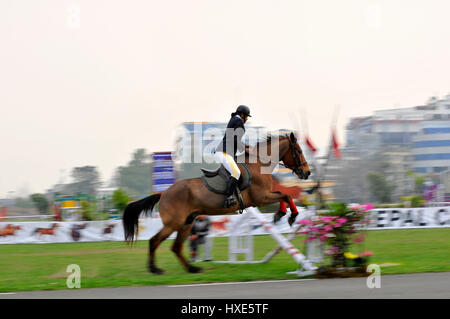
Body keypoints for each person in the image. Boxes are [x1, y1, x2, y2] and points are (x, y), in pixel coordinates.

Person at [215, 105, 251, 208]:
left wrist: (245, 146)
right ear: (242, 115)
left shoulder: (235, 119)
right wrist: (245, 149)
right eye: (247, 116)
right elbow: (235, 139)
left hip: (226, 151)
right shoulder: (238, 121)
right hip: (225, 152)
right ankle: (229, 197)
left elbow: (235, 139)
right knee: (236, 172)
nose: (247, 119)